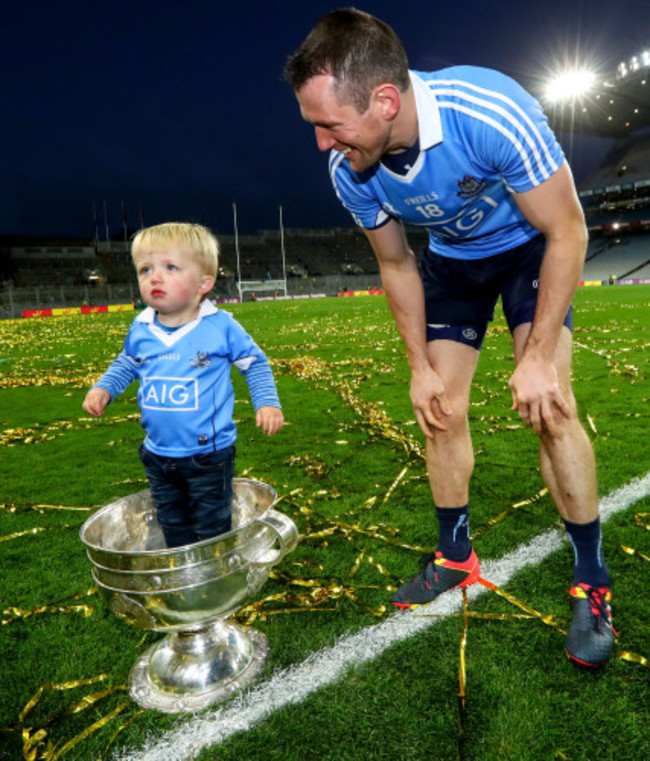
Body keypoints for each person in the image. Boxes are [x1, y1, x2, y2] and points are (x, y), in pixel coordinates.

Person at [285, 8, 614, 667]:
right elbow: (397, 262)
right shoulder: (351, 168)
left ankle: (592, 577)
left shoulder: (489, 109)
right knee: (439, 410)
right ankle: (456, 555)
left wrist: (541, 355)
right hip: (453, 266)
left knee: (551, 407)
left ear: (383, 101)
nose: (323, 143)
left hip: (529, 251)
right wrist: (419, 367)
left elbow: (568, 230)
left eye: (329, 125)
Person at [83, 222, 284, 548]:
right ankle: (183, 570)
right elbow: (127, 362)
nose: (154, 277)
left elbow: (255, 364)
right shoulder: (142, 327)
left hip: (208, 456)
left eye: (170, 267)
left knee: (211, 524)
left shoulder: (220, 326)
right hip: (156, 453)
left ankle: (214, 577)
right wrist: (104, 387)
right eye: (145, 269)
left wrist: (267, 403)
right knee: (171, 520)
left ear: (204, 283)